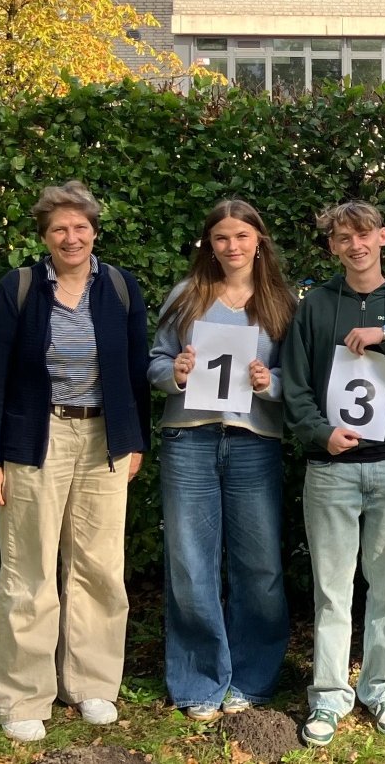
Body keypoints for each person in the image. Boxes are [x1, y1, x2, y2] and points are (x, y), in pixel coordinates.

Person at [0, 180, 150, 744]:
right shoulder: (20, 287)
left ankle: (91, 682)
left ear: (94, 231)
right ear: (45, 237)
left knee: (100, 567)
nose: (71, 237)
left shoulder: (119, 286)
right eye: (59, 229)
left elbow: (136, 369)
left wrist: (135, 440)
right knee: (29, 571)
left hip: (105, 440)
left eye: (80, 227)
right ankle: (23, 696)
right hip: (35, 440)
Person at [280, 201, 385, 747]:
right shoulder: (315, 306)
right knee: (332, 591)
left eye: (364, 234)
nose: (356, 245)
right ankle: (329, 696)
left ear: (383, 237)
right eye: (344, 238)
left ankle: (382, 688)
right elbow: (295, 385)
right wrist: (319, 433)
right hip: (331, 468)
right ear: (333, 246)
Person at [148, 199, 295, 722]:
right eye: (221, 238)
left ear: (259, 241)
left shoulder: (281, 303)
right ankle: (199, 681)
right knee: (190, 563)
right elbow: (156, 361)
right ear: (209, 245)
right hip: (189, 440)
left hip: (255, 441)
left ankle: (253, 678)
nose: (232, 246)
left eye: (241, 236)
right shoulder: (186, 296)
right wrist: (176, 374)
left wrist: (270, 383)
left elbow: (300, 379)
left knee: (261, 565)